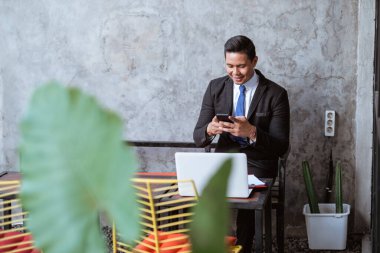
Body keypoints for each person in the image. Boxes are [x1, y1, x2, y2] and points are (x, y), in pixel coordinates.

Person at [193, 35, 290, 253]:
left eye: (241, 66)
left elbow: (281, 146)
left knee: (246, 203)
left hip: (259, 163)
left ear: (254, 61)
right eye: (229, 65)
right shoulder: (215, 87)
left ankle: (243, 248)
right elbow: (198, 136)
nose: (235, 72)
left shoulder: (276, 94)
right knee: (201, 197)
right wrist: (210, 129)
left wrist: (252, 132)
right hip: (224, 160)